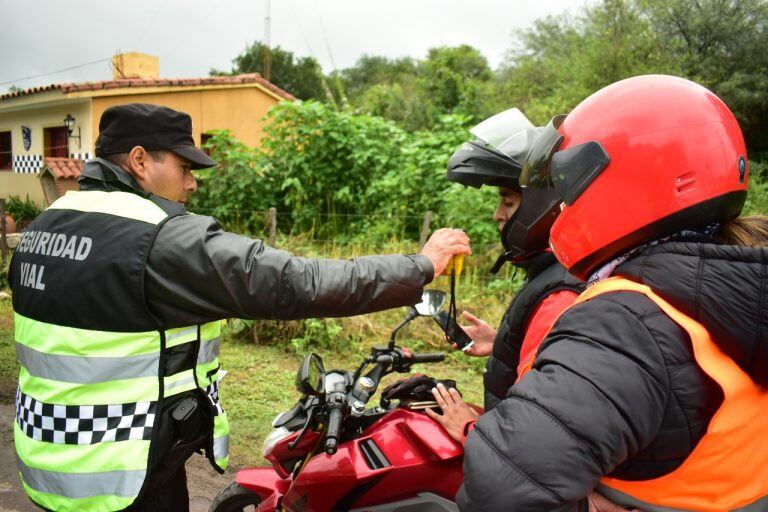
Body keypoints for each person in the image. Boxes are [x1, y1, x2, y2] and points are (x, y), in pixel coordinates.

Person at [8, 103, 470, 512]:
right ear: (140, 161)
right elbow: (299, 283)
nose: (191, 183)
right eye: (185, 166)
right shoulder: (158, 239)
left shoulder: (47, 225)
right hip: (127, 473)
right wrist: (420, 265)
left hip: (54, 458)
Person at [431, 75, 768, 511]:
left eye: (572, 187)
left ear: (630, 182)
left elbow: (502, 491)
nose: (565, 205)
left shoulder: (625, 318)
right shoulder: (724, 286)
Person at [443, 108, 583, 415]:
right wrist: (502, 345)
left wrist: (469, 427)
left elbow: (540, 416)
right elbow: (545, 360)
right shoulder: (552, 273)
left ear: (539, 207)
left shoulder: (559, 293)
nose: (497, 214)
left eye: (507, 201)